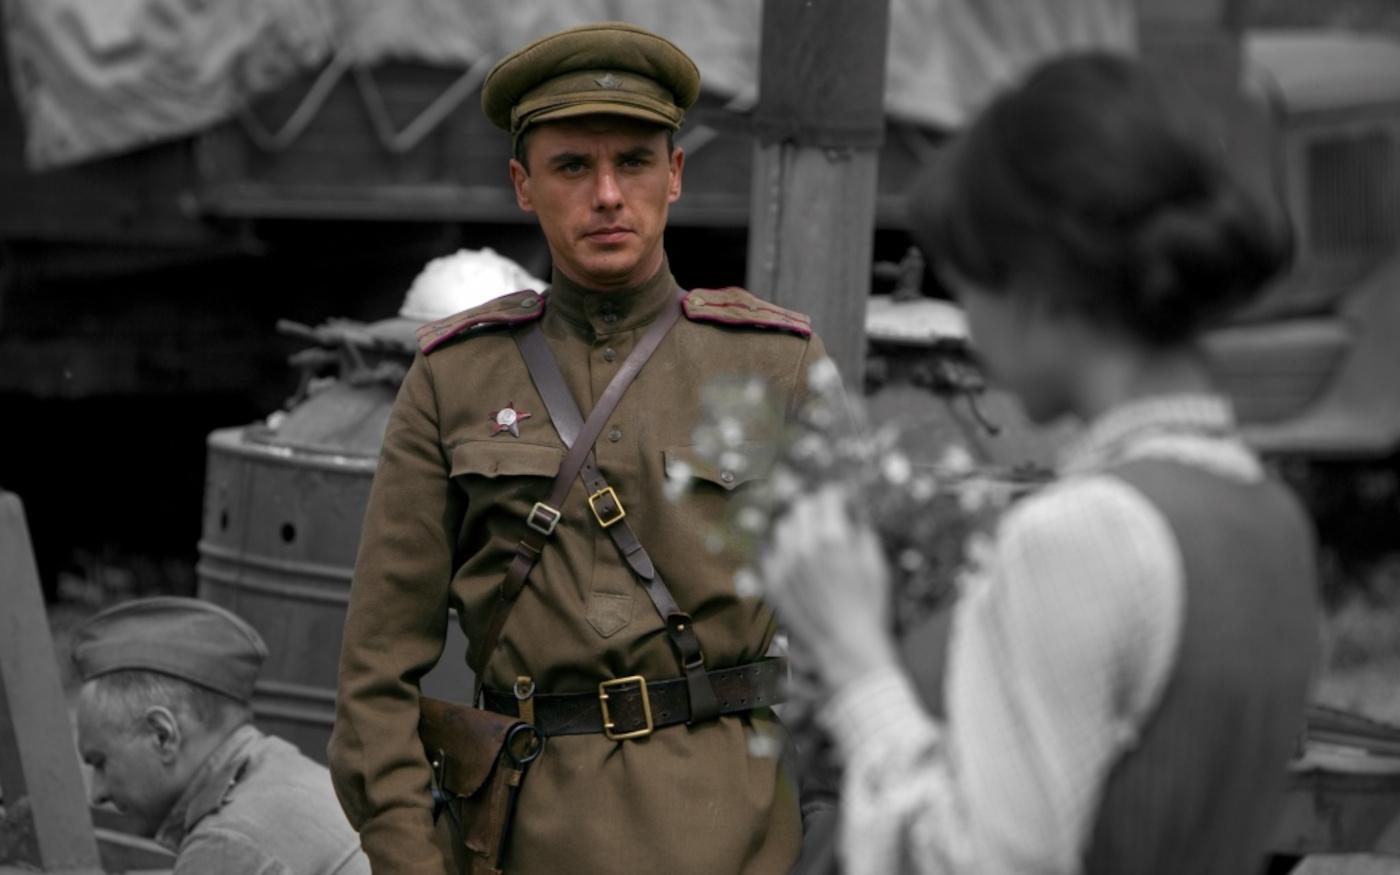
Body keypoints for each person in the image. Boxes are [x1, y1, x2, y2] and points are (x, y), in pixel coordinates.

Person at [761, 53, 1319, 875]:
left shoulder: (1084, 532)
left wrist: (854, 660)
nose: (969, 323)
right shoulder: (1266, 509)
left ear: (1039, 281)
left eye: (969, 285)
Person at [328, 21, 824, 875]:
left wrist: (839, 842)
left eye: (633, 161)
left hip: (739, 841)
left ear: (675, 173)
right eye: (571, 166)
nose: (607, 194)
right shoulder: (456, 377)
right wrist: (412, 861)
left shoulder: (775, 366)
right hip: (524, 840)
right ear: (523, 184)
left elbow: (866, 646)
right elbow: (375, 675)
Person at [72, 597, 370, 875]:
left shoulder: (228, 844)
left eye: (100, 762)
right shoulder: (281, 769)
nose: (97, 793)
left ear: (163, 736)